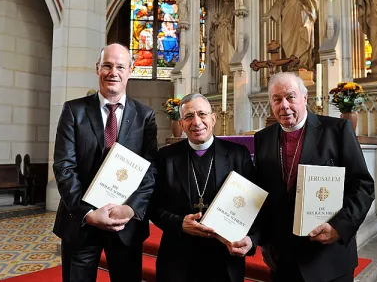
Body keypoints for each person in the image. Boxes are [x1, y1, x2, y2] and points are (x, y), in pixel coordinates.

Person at [254, 72, 375, 282]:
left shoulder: (336, 130)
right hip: (283, 258)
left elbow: (363, 186)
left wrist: (339, 227)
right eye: (277, 99)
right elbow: (261, 192)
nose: (284, 105)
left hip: (327, 257)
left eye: (290, 97)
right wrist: (263, 241)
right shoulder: (263, 138)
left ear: (304, 98)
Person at [52, 43, 158, 282]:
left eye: (120, 66)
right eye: (107, 65)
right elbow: (64, 167)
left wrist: (130, 209)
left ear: (130, 71)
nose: (114, 72)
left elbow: (150, 171)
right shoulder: (73, 110)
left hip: (126, 225)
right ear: (97, 68)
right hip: (80, 224)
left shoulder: (145, 116)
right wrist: (87, 213)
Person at [149, 93, 258, 282]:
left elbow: (256, 205)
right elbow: (152, 205)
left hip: (224, 258)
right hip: (178, 259)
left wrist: (252, 239)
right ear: (181, 124)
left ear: (213, 118)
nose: (196, 122)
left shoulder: (237, 155)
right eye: (189, 117)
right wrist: (179, 223)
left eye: (202, 114)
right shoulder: (166, 157)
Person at [263, 0, 318, 69]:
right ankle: (292, 63)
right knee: (288, 39)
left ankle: (303, 64)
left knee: (304, 35)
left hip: (303, 14)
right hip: (288, 16)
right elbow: (279, 2)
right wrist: (270, 14)